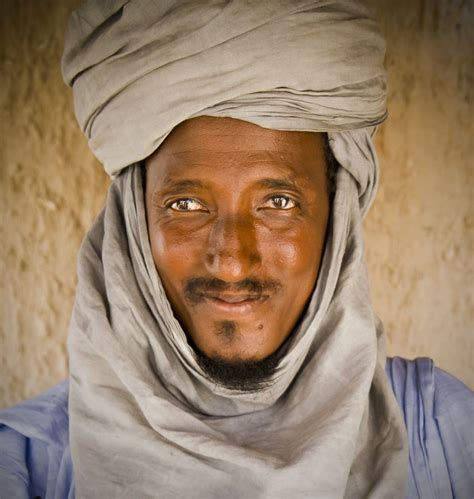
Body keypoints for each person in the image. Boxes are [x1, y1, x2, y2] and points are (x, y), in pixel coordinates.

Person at [0, 1, 472, 498]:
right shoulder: (26, 467)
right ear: (133, 225)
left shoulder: (444, 439)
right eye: (185, 204)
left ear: (338, 217)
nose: (230, 260)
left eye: (278, 202)